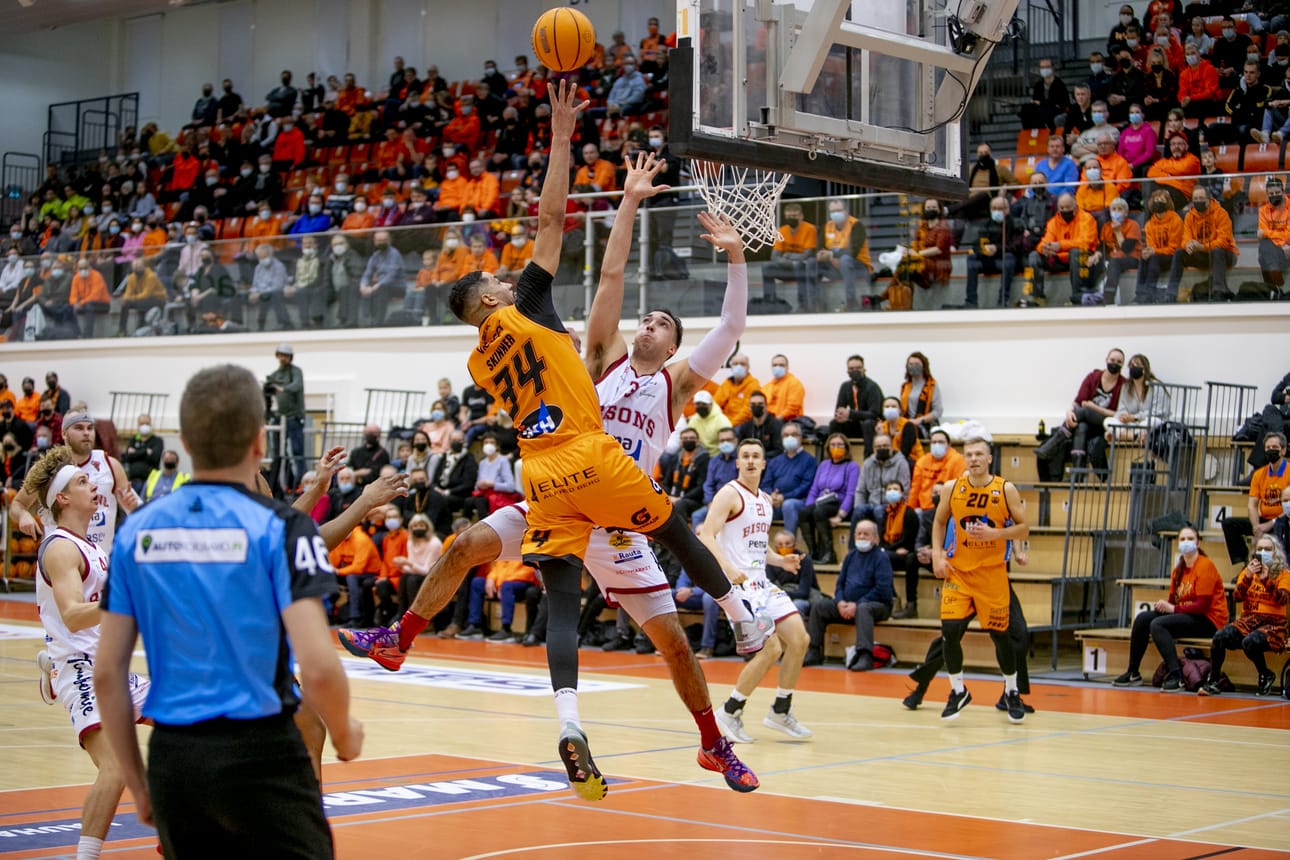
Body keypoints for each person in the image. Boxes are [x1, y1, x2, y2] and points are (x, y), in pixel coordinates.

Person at [341, 140, 767, 798]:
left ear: (675, 344)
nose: (650, 324)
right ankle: (403, 637)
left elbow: (732, 324)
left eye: (663, 322)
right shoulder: (596, 357)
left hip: (615, 518)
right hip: (569, 488)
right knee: (464, 547)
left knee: (676, 647)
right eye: (646, 320)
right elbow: (611, 278)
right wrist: (625, 203)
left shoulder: (677, 385)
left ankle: (713, 741)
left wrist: (734, 254)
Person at [95, 364, 362, 857]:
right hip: (263, 754)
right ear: (259, 443)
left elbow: (108, 675)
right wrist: (346, 735)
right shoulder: (281, 527)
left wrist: (138, 783)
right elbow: (320, 667)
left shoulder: (137, 532)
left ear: (187, 443)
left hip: (176, 759)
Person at [24, 445, 151, 860]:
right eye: (81, 481)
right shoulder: (61, 548)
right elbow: (76, 616)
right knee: (113, 770)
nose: (93, 483)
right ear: (62, 498)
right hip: (82, 670)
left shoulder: (93, 546)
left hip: (111, 671)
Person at [704, 440, 813, 743]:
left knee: (800, 639)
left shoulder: (765, 500)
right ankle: (729, 711)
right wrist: (726, 568)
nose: (751, 461)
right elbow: (706, 535)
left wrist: (781, 560)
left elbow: (757, 547)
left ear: (764, 464)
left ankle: (780, 710)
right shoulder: (729, 493)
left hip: (762, 585)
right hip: (739, 590)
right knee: (771, 649)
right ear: (737, 463)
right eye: (745, 456)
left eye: (756, 456)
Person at [932, 437, 1030, 722]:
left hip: (992, 575)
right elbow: (939, 522)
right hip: (959, 573)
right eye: (969, 454)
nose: (973, 458)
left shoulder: (1005, 489)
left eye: (979, 454)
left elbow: (1023, 529)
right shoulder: (952, 488)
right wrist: (938, 555)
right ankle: (958, 690)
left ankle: (1011, 691)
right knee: (950, 632)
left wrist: (996, 534)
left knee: (1001, 637)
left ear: (989, 459)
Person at [1112, 526, 1228, 691]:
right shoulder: (1178, 570)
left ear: (1198, 542)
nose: (1186, 542)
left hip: (1209, 621)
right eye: (1182, 539)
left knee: (1158, 625)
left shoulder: (1205, 566)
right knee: (1144, 619)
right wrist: (1163, 607)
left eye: (1190, 539)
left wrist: (1172, 610)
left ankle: (1176, 675)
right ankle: (1133, 672)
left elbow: (1202, 606)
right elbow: (1173, 602)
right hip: (1189, 617)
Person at [9, 410, 139, 553]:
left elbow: (136, 509)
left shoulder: (110, 465)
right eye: (79, 428)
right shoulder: (47, 467)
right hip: (59, 558)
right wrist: (23, 515)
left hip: (100, 561)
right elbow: (17, 504)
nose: (86, 433)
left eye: (90, 428)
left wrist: (132, 508)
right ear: (64, 433)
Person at [1200, 537, 1289, 697]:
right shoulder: (1247, 572)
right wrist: (1248, 577)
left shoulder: (1284, 574)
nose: (1263, 552)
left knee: (1250, 641)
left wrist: (1266, 580)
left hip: (1273, 625)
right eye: (1260, 549)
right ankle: (1213, 681)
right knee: (1220, 637)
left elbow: (1282, 599)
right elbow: (1237, 597)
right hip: (1248, 621)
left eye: (1268, 549)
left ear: (1276, 553)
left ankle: (1264, 674)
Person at [803, 519, 894, 670]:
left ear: (875, 538)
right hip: (847, 604)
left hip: (878, 606)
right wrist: (840, 602)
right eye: (859, 534)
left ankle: (865, 655)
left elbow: (882, 589)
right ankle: (814, 651)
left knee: (864, 608)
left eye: (866, 534)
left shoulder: (881, 558)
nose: (862, 537)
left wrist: (856, 605)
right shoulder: (850, 556)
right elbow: (840, 584)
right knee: (819, 606)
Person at [1037, 348, 1125, 479]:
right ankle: (1077, 475)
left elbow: (1118, 414)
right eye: (1112, 360)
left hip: (1105, 424)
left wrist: (1094, 407)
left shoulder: (1123, 384)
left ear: (1122, 365)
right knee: (1081, 425)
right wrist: (1069, 412)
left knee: (1084, 412)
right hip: (1086, 423)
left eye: (1119, 361)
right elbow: (1078, 401)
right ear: (1106, 360)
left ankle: (1056, 441)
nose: (1115, 363)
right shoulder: (1092, 377)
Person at [1221, 432, 1289, 565]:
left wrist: (1269, 525)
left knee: (1281, 528)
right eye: (1268, 448)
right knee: (1229, 524)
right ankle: (1245, 563)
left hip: (1283, 520)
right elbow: (1252, 505)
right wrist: (1256, 526)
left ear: (1283, 450)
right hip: (1263, 519)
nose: (1271, 450)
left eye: (1274, 447)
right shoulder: (1259, 474)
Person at [1166, 185, 1237, 302]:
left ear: (1208, 200)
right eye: (1195, 199)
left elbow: (1223, 242)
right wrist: (1188, 245)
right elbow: (1185, 238)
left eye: (1201, 198)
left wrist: (1202, 247)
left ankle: (1218, 291)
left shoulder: (1221, 214)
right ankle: (1171, 293)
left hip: (1225, 255)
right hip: (1202, 254)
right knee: (1179, 253)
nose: (1198, 201)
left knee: (1217, 250)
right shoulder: (1189, 216)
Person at [800, 433, 860, 565]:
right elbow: (814, 489)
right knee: (804, 512)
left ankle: (829, 553)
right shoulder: (824, 465)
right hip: (821, 502)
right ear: (828, 447)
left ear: (846, 448)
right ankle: (813, 552)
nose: (836, 447)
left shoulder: (852, 466)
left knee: (819, 512)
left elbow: (851, 493)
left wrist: (840, 515)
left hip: (839, 503)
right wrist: (809, 506)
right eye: (833, 445)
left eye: (839, 445)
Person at [762, 422, 816, 543]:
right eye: (786, 435)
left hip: (799, 502)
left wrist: (784, 497)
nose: (789, 438)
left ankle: (788, 546)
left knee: (788, 505)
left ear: (801, 438)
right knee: (756, 506)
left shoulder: (809, 460)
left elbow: (806, 486)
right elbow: (765, 484)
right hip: (775, 503)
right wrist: (771, 496)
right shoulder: (775, 461)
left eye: (794, 434)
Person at [964, 195, 1023, 308]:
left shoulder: (1016, 223)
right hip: (989, 260)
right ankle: (971, 301)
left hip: (1006, 262)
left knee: (1009, 258)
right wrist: (984, 249)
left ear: (1007, 209)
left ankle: (1002, 301)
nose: (996, 211)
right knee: (971, 258)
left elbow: (1016, 246)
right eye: (993, 208)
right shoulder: (987, 224)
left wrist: (996, 248)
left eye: (1000, 209)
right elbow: (976, 244)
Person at [815, 199, 873, 311]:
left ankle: (851, 301)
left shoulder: (856, 225)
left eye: (838, 210)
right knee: (812, 263)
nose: (835, 214)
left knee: (846, 260)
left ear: (846, 211)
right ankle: (814, 303)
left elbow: (853, 251)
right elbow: (819, 250)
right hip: (835, 267)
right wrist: (827, 257)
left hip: (858, 266)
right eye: (832, 211)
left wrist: (831, 255)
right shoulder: (827, 226)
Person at [764, 202, 819, 310]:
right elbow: (774, 257)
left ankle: (803, 304)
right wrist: (789, 261)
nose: (791, 218)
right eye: (789, 216)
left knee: (799, 264)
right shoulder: (782, 230)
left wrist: (788, 255)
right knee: (767, 267)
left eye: (794, 216)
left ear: (801, 216)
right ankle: (770, 302)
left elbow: (806, 255)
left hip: (803, 269)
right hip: (787, 267)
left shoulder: (810, 229)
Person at [265, 343, 307, 483]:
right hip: (279, 417)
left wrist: (282, 388)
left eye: (286, 356)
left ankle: (302, 480)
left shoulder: (295, 371)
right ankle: (281, 480)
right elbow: (268, 387)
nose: (283, 358)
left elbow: (297, 386)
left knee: (297, 451)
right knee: (278, 452)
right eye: (281, 355)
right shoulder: (275, 374)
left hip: (294, 417)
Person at [852, 433, 910, 531]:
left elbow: (905, 490)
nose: (882, 449)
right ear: (874, 449)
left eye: (885, 446)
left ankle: (881, 544)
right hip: (871, 504)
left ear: (892, 447)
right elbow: (860, 491)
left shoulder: (901, 463)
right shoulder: (868, 464)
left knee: (879, 511)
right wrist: (858, 506)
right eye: (878, 447)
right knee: (859, 510)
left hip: (891, 505)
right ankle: (854, 546)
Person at [1136, 189, 1186, 304]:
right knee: (1144, 258)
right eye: (1156, 200)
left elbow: (1174, 248)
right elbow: (1151, 245)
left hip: (1172, 257)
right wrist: (1147, 251)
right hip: (1157, 256)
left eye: (1162, 200)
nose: (1158, 202)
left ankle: (1149, 293)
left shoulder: (1176, 220)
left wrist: (1154, 251)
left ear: (1167, 203)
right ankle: (1139, 294)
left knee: (1154, 257)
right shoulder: (1149, 224)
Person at [828, 354, 883, 451]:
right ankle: (832, 456)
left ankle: (868, 455)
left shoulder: (872, 387)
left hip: (870, 425)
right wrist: (840, 416)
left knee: (868, 423)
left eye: (858, 368)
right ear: (847, 371)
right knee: (834, 423)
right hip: (855, 424)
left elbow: (874, 413)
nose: (855, 371)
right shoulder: (845, 386)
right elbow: (839, 410)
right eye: (851, 368)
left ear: (864, 369)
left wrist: (850, 413)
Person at [1256, 176, 1290, 295]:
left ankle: (1273, 288)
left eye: (1277, 192)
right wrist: (1282, 243)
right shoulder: (1263, 210)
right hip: (1279, 249)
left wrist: (1267, 233)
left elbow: (1288, 233)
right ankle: (1275, 280)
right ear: (1267, 195)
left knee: (1265, 247)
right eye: (1271, 193)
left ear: (1283, 192)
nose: (1274, 195)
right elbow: (1261, 234)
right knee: (1265, 245)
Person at [120, 413, 163, 496]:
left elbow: (155, 458)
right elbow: (128, 457)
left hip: (149, 482)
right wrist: (145, 452)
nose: (145, 426)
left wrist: (135, 452)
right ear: (138, 425)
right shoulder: (133, 439)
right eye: (142, 424)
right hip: (133, 481)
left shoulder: (157, 441)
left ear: (151, 424)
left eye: (147, 423)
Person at [735, 391, 783, 459]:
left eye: (760, 404)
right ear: (749, 407)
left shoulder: (776, 425)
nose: (757, 407)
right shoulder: (745, 427)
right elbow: (740, 449)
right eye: (753, 404)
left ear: (766, 406)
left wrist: (759, 456)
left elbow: (779, 450)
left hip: (770, 462)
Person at [763, 354, 805, 421]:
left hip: (789, 423)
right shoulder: (766, 387)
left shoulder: (794, 384)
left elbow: (793, 408)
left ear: (787, 368)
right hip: (769, 423)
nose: (777, 367)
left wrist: (776, 421)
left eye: (781, 365)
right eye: (775, 365)